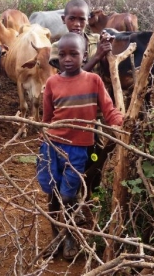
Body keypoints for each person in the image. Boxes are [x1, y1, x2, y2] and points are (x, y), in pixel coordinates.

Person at [37, 32, 124, 260]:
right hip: (52, 146)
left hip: (78, 149)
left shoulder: (93, 81)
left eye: (73, 54)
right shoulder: (52, 83)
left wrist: (122, 124)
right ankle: (58, 237)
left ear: (84, 55)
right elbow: (46, 118)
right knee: (53, 193)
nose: (67, 59)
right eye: (63, 54)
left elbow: (109, 110)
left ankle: (69, 237)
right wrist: (43, 139)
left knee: (68, 195)